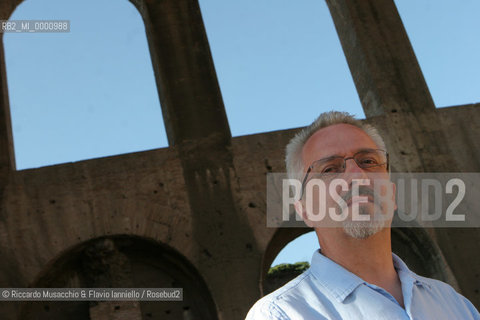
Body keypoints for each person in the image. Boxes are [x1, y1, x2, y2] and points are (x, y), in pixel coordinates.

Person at [246, 111, 480, 320]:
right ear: (305, 210)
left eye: (368, 161)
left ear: (392, 194)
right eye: (330, 168)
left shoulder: (456, 304)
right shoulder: (279, 315)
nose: (357, 176)